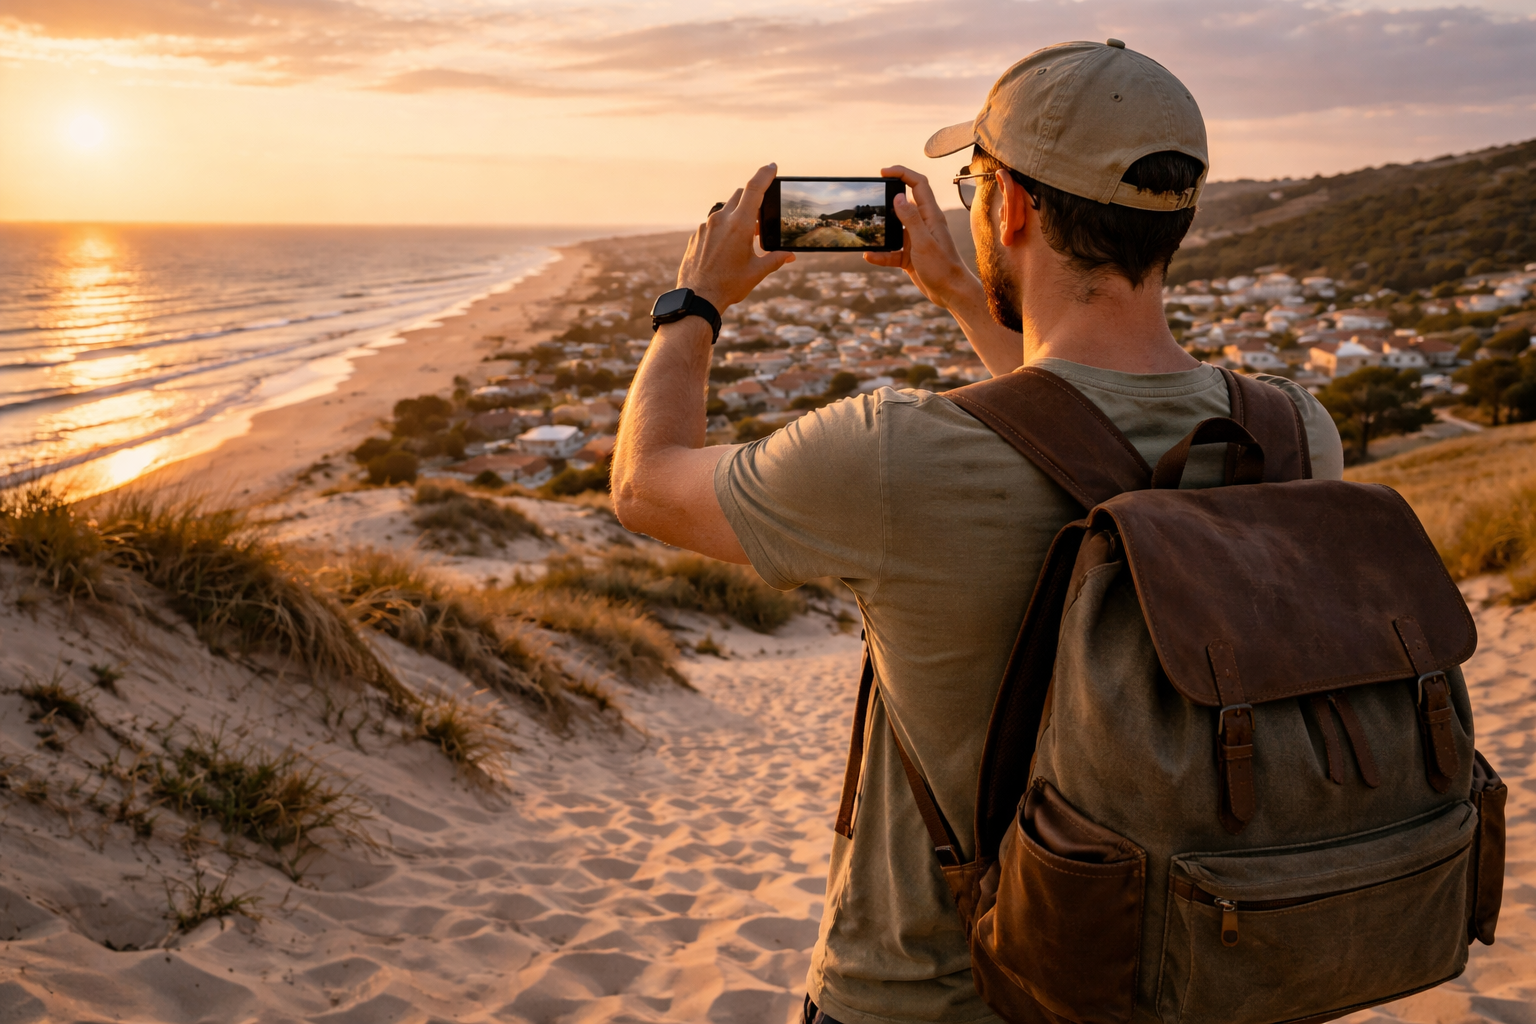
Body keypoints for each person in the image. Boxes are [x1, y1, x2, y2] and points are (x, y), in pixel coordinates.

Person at [611, 39, 1344, 1024]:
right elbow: (1072, 425)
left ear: (1011, 208)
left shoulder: (896, 456)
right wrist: (960, 289)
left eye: (976, 182)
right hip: (1186, 981)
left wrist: (692, 304)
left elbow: (646, 486)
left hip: (925, 998)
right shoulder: (1293, 435)